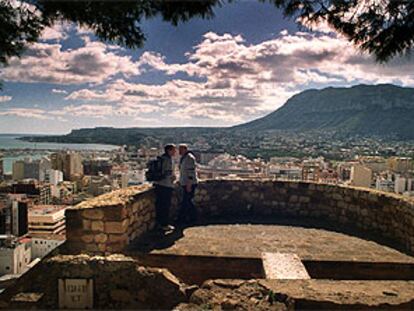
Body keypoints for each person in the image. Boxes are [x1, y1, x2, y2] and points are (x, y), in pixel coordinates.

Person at [154, 144, 176, 232]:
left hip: (158, 185)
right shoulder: (168, 160)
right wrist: (173, 177)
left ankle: (159, 223)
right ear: (169, 150)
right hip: (166, 185)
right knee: (165, 206)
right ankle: (164, 224)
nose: (175, 152)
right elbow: (168, 173)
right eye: (174, 150)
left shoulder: (161, 158)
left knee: (159, 205)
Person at [177, 144, 198, 225]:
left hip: (189, 184)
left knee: (186, 201)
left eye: (180, 149)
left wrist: (189, 184)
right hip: (186, 183)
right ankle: (191, 218)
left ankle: (184, 219)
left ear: (185, 149)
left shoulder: (189, 158)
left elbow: (191, 172)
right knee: (187, 201)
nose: (179, 151)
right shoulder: (184, 158)